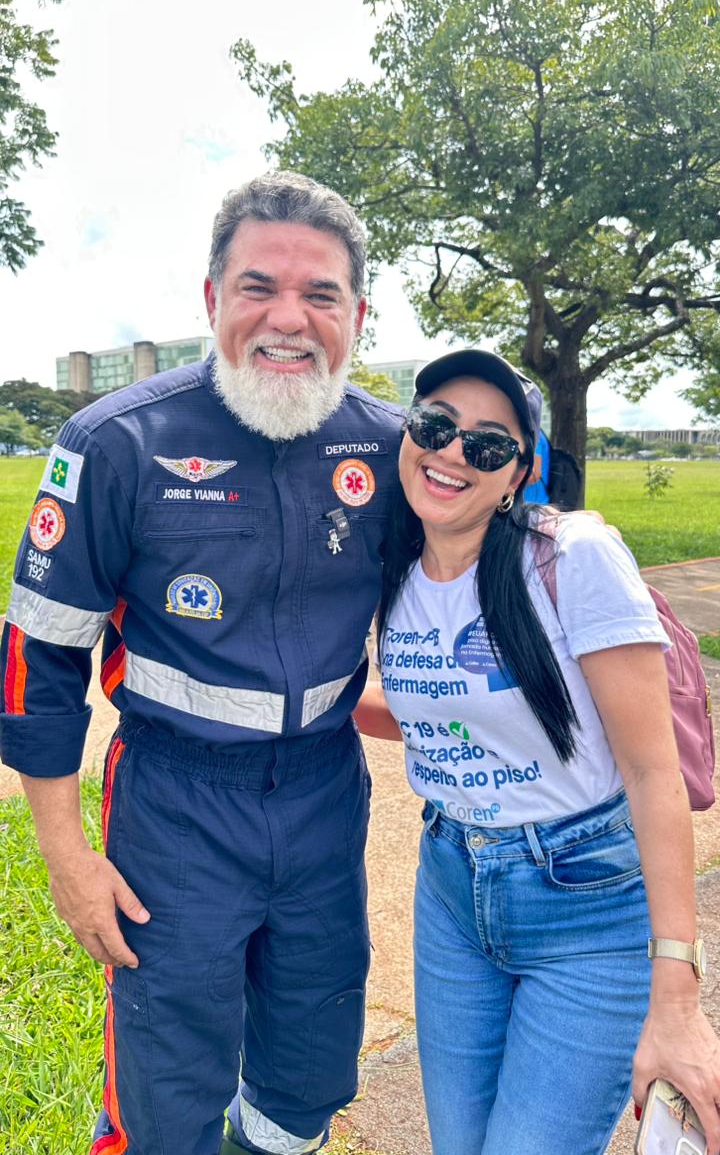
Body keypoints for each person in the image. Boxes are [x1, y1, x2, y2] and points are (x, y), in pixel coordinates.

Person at [0, 172, 405, 1155]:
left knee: (310, 1071)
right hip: (175, 809)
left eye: (320, 294)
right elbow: (37, 657)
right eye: (259, 286)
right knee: (168, 1081)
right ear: (213, 297)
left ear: (357, 316)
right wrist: (66, 856)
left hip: (323, 797)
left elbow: (466, 586)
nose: (288, 318)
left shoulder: (389, 450)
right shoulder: (116, 442)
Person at [354, 348, 720, 1155]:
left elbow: (652, 772)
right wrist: (290, 701)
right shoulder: (396, 571)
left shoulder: (572, 557)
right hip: (452, 891)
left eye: (488, 444)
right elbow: (440, 719)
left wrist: (678, 1000)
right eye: (436, 425)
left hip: (588, 903)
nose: (453, 453)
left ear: (519, 473)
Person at [523, 425, 550, 502]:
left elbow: (534, 475)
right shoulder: (533, 432)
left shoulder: (535, 436)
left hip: (534, 503)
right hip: (528, 501)